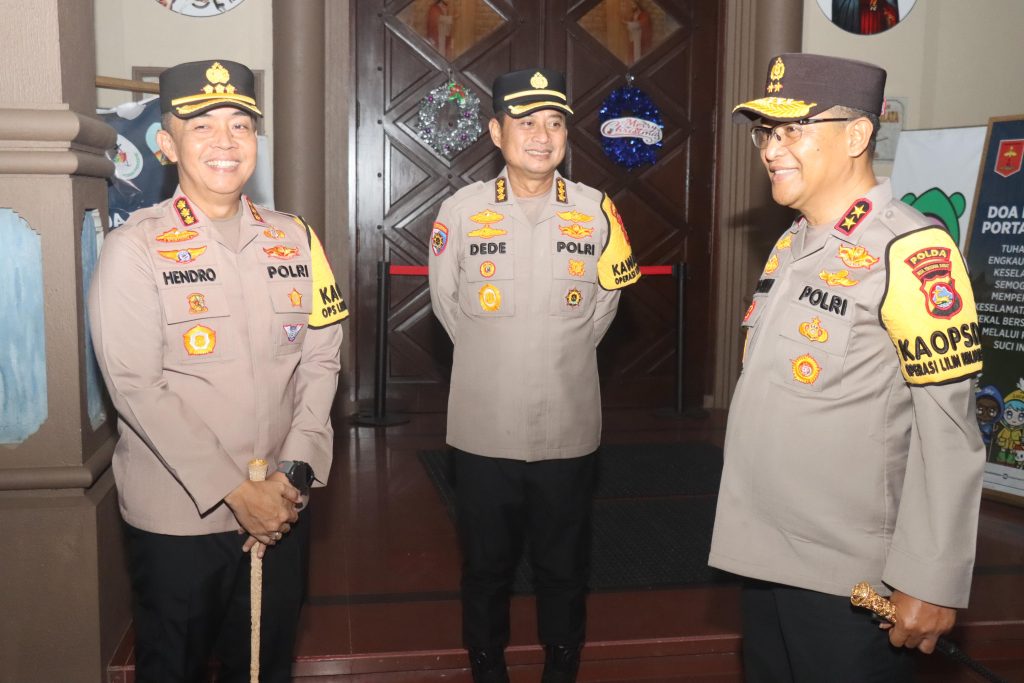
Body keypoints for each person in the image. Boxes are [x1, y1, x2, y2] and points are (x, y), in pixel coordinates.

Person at [708, 53, 985, 682]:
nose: (771, 149)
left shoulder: (910, 251)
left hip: (847, 577)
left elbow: (948, 430)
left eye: (792, 130)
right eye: (766, 133)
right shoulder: (793, 240)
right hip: (765, 551)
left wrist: (931, 578)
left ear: (857, 134)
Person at [88, 59, 347, 682]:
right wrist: (237, 491)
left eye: (240, 124)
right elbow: (135, 387)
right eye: (201, 126)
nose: (225, 141)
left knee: (265, 666)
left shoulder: (296, 238)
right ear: (167, 144)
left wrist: (294, 472)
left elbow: (321, 357)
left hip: (282, 504)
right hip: (181, 519)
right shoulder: (135, 247)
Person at [428, 68, 640, 683]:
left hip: (568, 427)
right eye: (526, 123)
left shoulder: (598, 211)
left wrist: (554, 352)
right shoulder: (460, 212)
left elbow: (605, 307)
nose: (542, 136)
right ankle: (487, 667)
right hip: (484, 427)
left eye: (554, 123)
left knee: (564, 567)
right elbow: (448, 306)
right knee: (485, 567)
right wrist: (501, 355)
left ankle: (561, 668)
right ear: (497, 132)